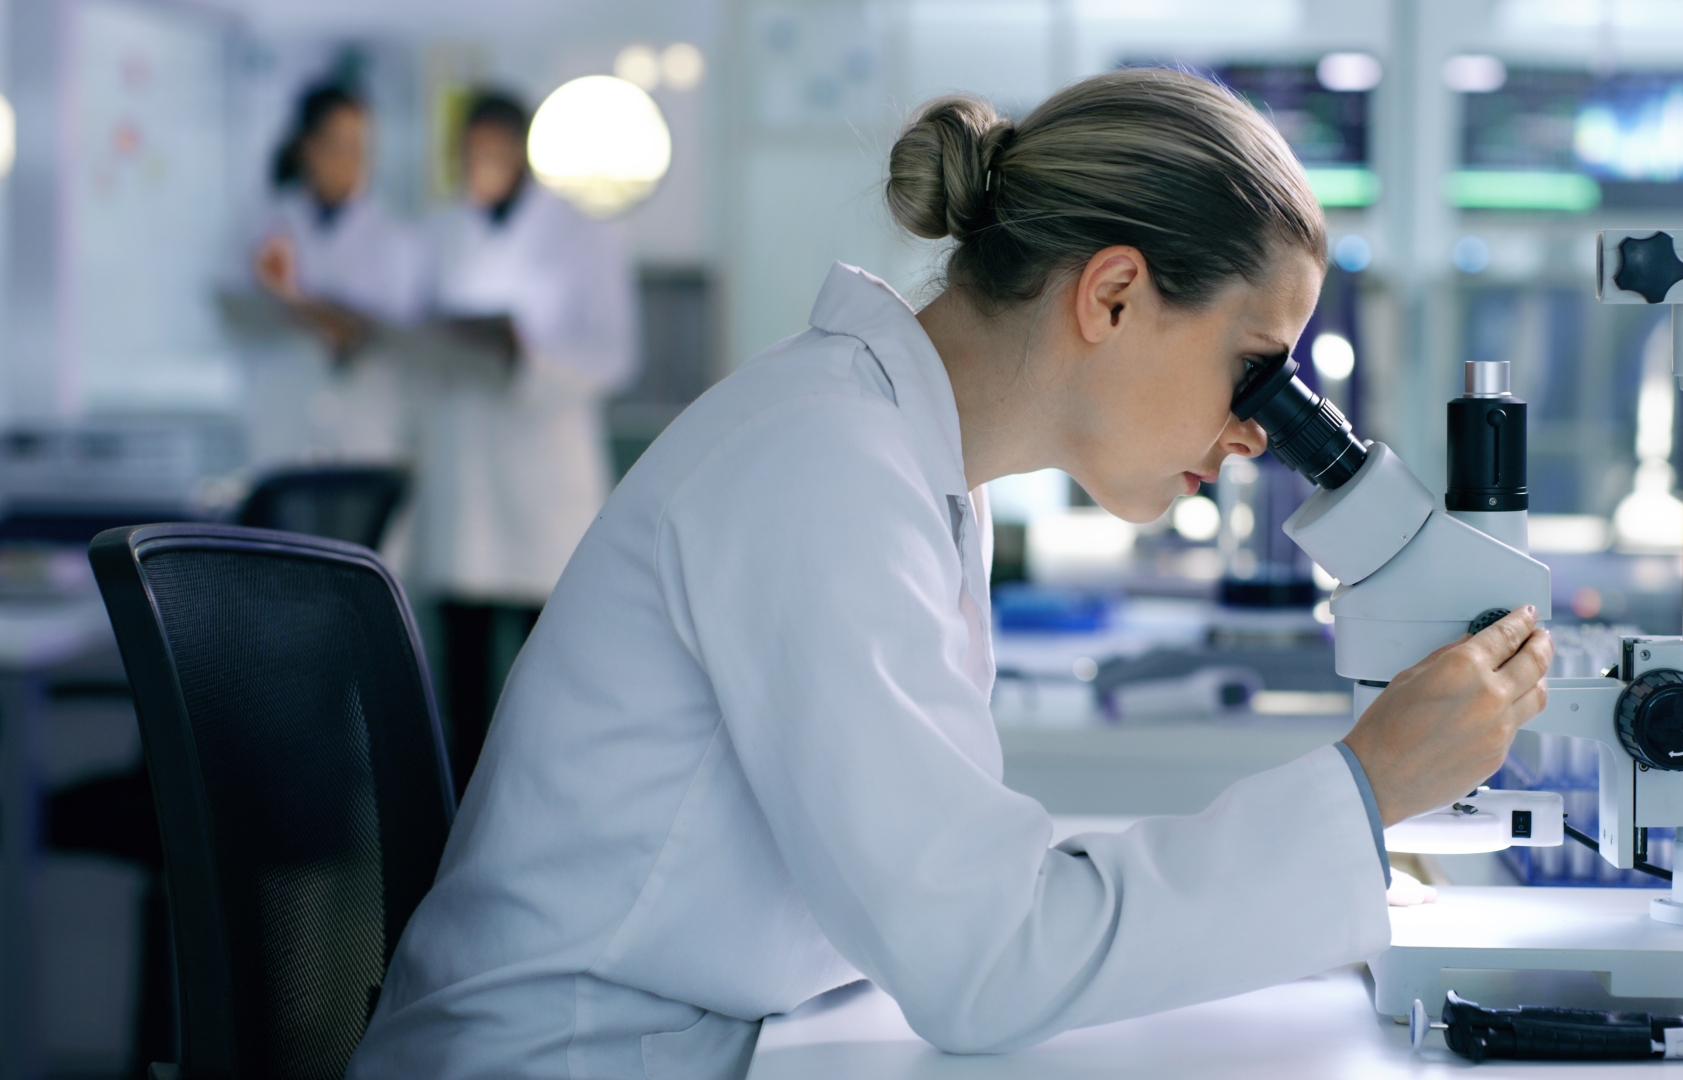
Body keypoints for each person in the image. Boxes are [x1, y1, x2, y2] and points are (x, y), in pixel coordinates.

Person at [348, 69, 1551, 1080]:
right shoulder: (823, 465)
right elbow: (984, 963)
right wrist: (1360, 792)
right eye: (1255, 370)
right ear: (1115, 294)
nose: (1257, 433)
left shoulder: (905, 460)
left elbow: (954, 885)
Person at [411, 91, 637, 794]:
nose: (480, 166)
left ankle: (551, 799)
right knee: (466, 670)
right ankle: (465, 814)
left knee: (550, 667)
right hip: (464, 471)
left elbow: (615, 352)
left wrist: (527, 359)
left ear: (522, 151)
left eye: (493, 152)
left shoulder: (583, 235)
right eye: (470, 154)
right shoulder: (441, 232)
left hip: (545, 477)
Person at [250, 82, 428, 464]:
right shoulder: (265, 225)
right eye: (337, 145)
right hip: (284, 428)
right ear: (308, 147)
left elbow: (392, 338)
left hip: (366, 432)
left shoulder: (395, 239)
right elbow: (241, 320)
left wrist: (296, 300)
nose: (350, 160)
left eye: (359, 147)